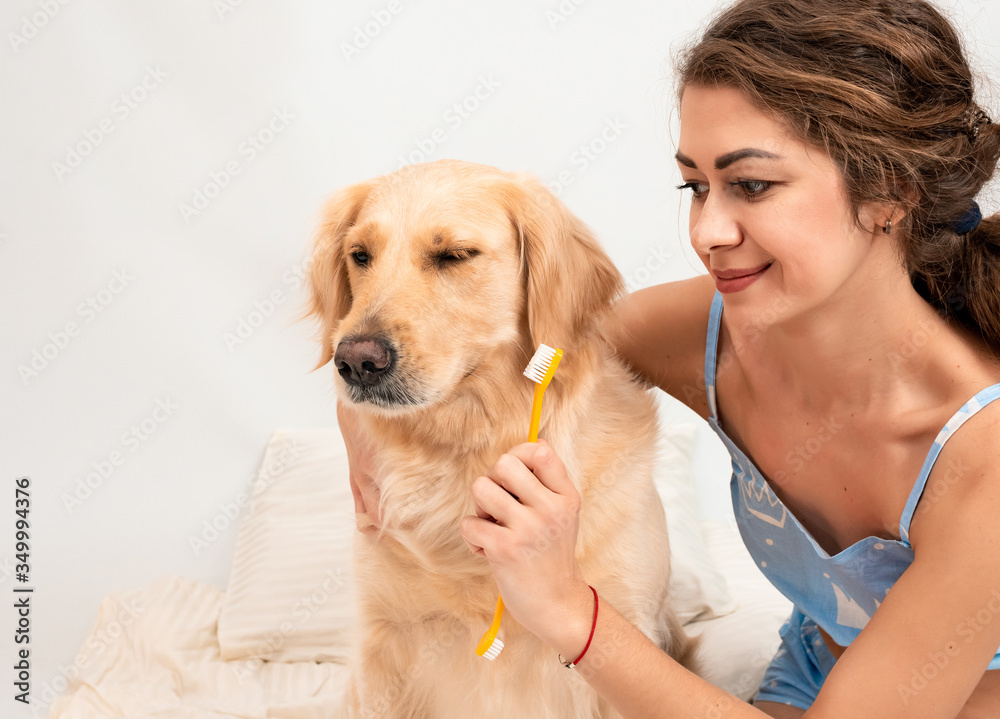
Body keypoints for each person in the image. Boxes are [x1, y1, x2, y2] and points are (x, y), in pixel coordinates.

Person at [339, 0, 1000, 715]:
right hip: (815, 659)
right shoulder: (710, 332)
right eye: (695, 186)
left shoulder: (983, 459)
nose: (707, 231)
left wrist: (569, 610)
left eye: (752, 184)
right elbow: (531, 350)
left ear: (889, 194)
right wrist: (360, 408)